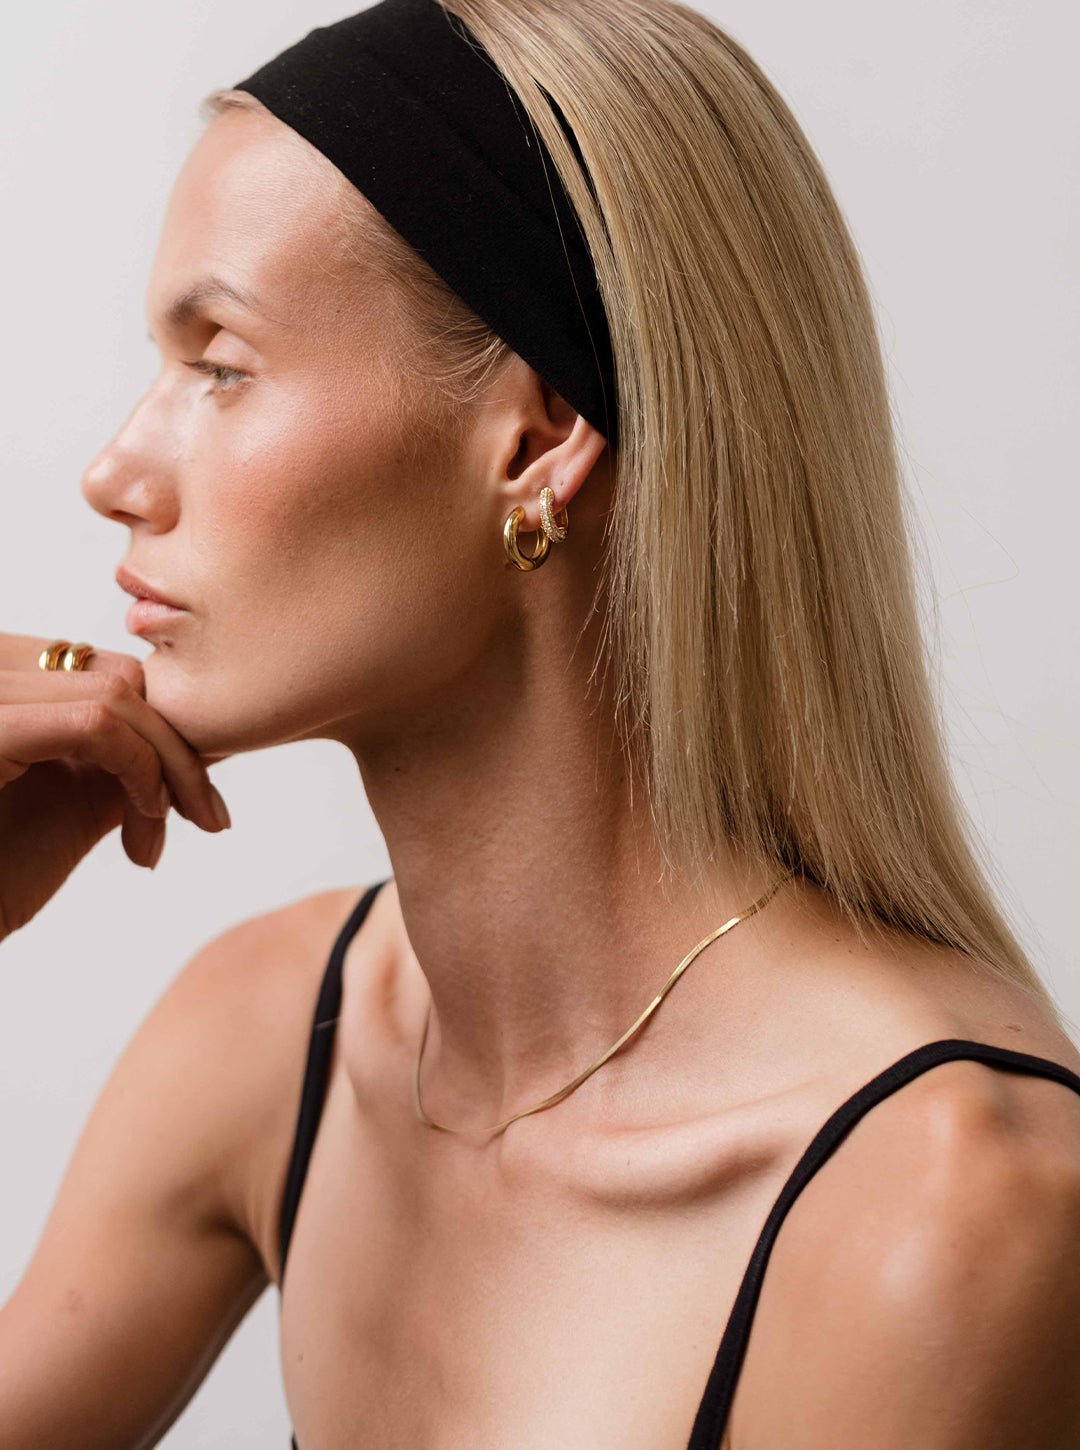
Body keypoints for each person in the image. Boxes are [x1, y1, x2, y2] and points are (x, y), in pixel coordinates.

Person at [2, 0, 1079, 1445]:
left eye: (221, 366)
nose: (113, 472)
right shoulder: (277, 1040)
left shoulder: (942, 1203)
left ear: (538, 436)